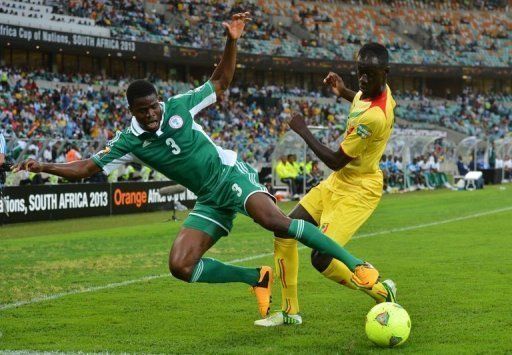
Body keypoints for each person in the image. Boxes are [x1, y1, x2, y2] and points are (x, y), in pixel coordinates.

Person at [13, 12, 378, 321]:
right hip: (208, 197)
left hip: (230, 174)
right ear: (133, 112)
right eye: (145, 110)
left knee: (275, 222)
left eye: (155, 105)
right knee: (180, 266)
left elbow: (220, 82)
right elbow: (87, 168)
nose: (154, 113)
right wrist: (40, 165)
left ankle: (357, 264)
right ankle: (256, 277)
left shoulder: (179, 106)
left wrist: (231, 41)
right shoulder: (129, 141)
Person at [255, 43, 397, 327]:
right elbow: (359, 97)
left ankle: (380, 290)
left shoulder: (375, 117)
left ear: (385, 72)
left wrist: (303, 130)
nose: (363, 80)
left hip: (359, 189)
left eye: (369, 74)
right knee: (283, 229)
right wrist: (343, 91)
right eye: (360, 73)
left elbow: (334, 160)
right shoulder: (372, 92)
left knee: (321, 258)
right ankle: (289, 312)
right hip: (338, 182)